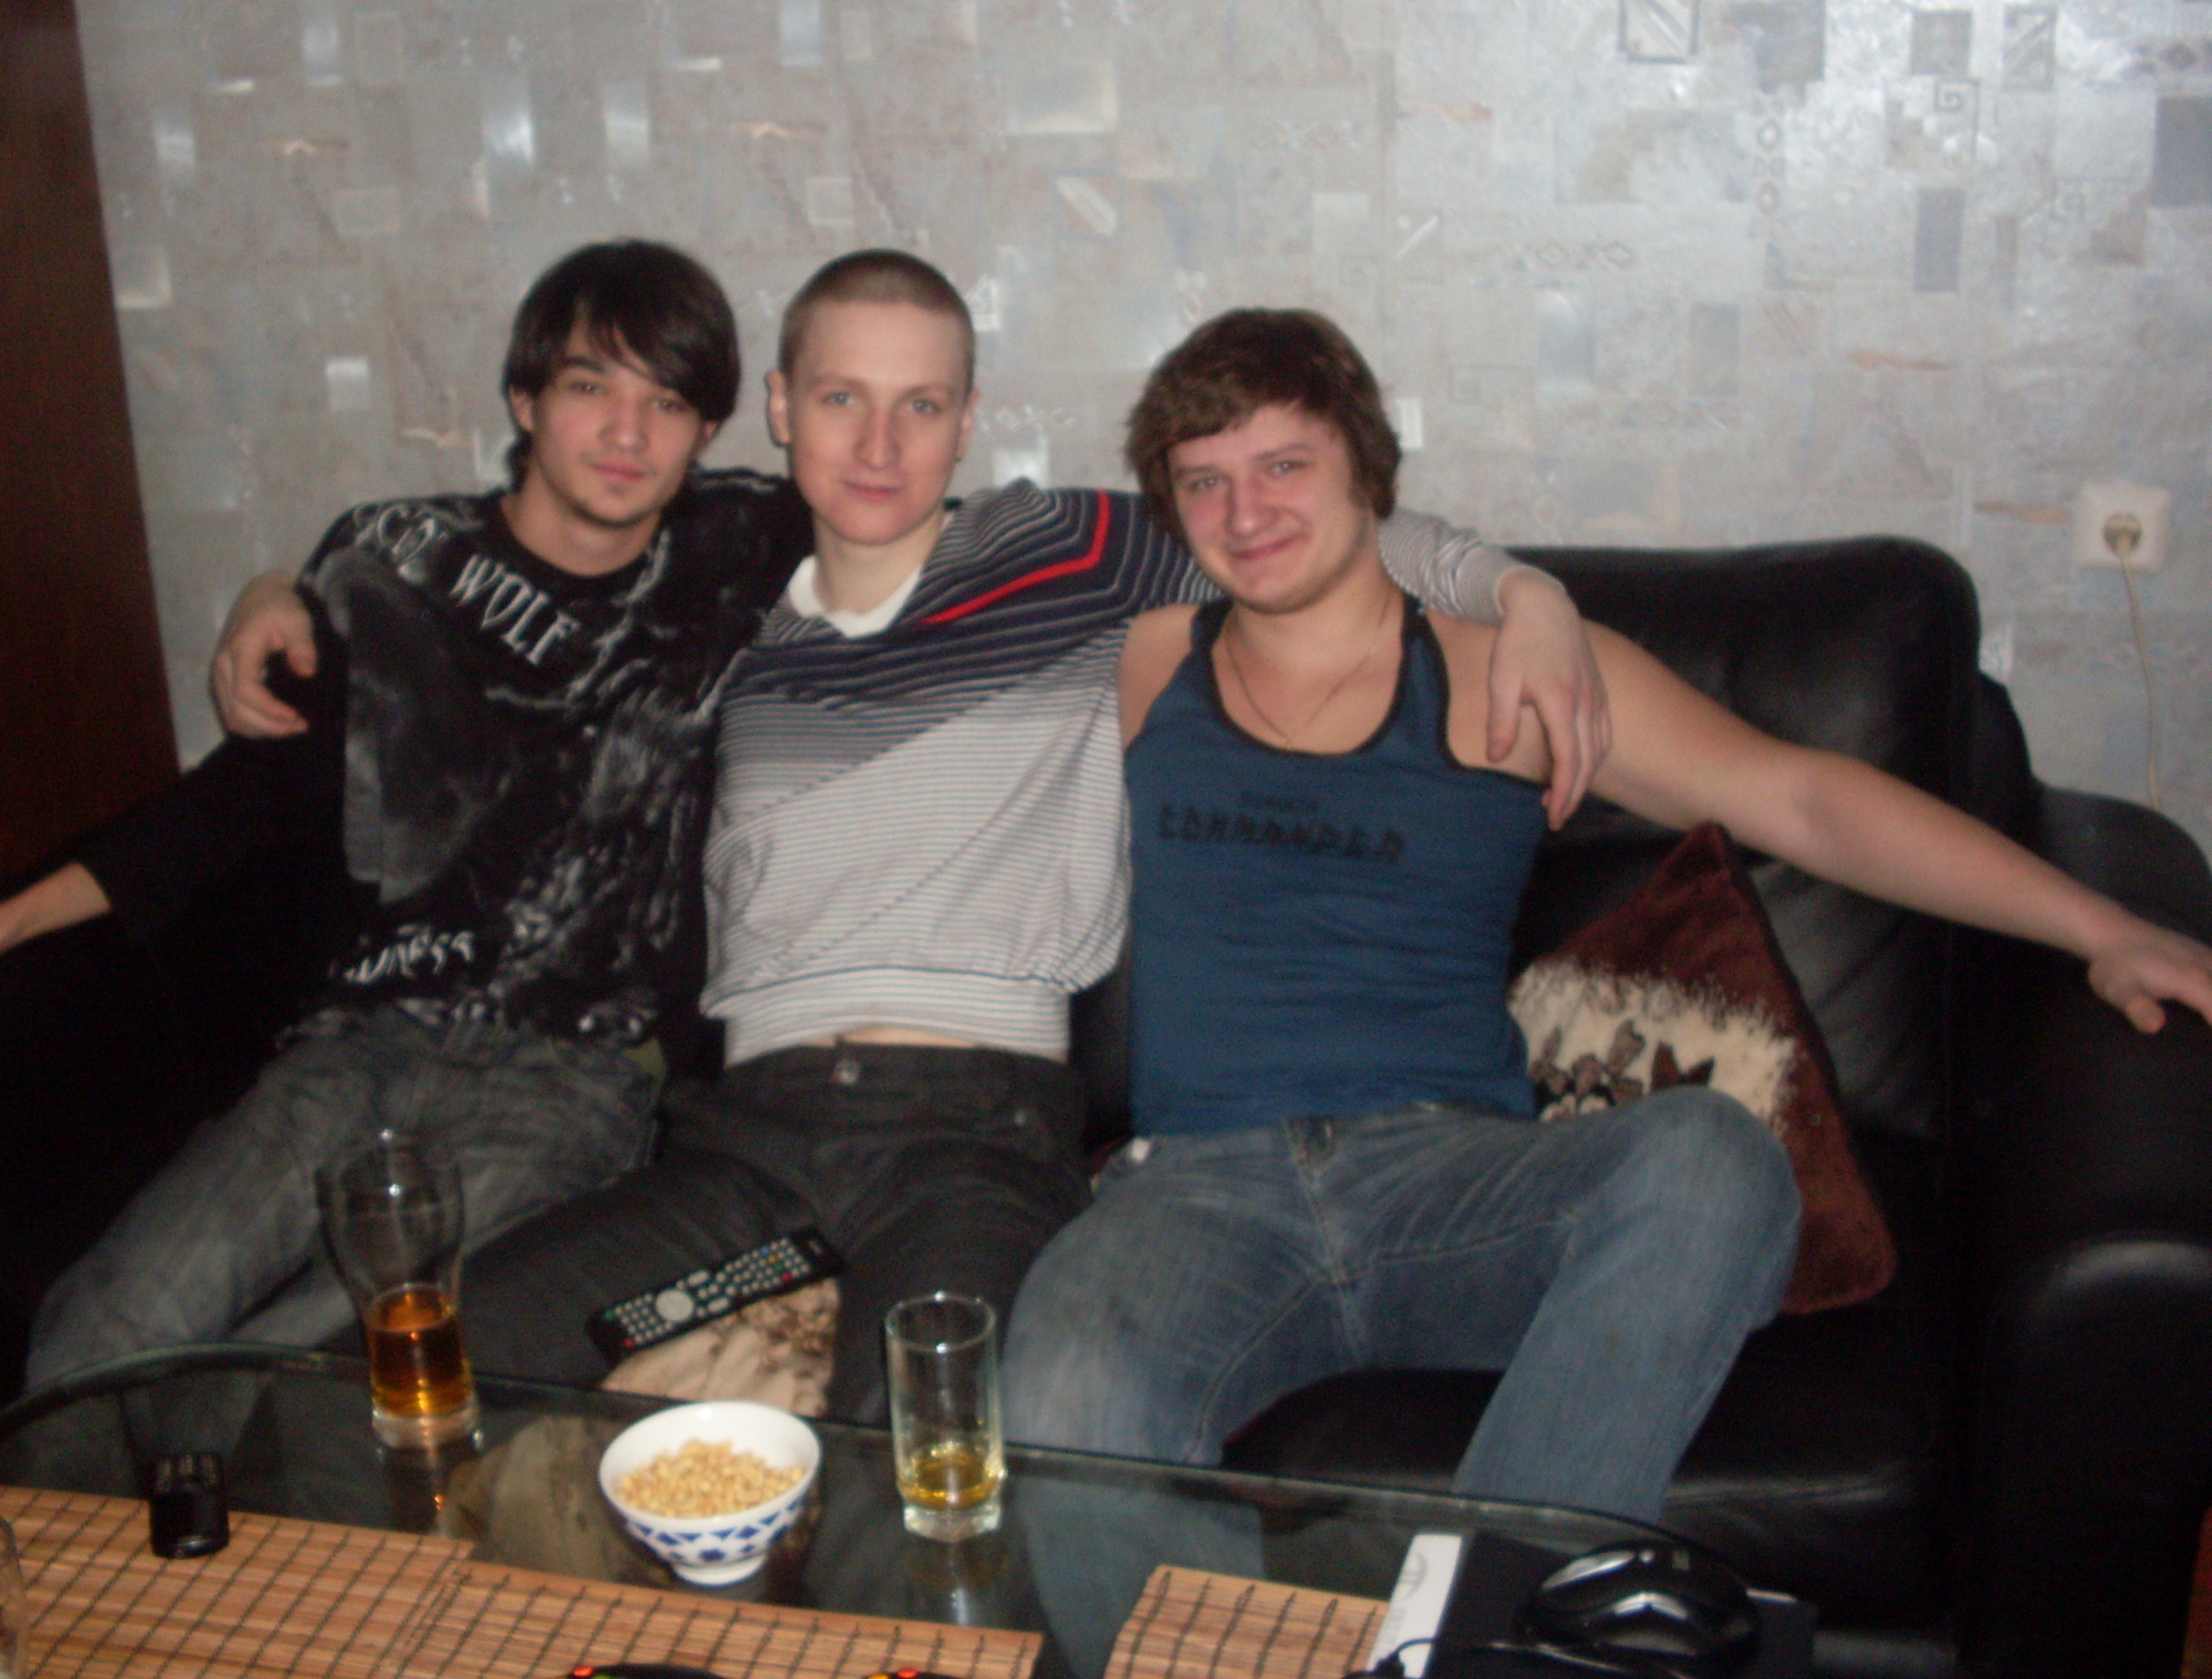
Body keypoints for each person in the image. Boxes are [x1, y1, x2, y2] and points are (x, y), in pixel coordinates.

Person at [212, 249, 1614, 1424]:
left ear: (965, 421)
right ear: (779, 409)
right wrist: (291, 586)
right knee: (399, 1387)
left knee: (918, 1464)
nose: (879, 447)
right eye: (842, 400)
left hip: (973, 1138)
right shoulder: (714, 597)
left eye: (920, 406)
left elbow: (1298, 532)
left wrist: (1519, 589)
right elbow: (483, 565)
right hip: (744, 1156)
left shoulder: (1063, 558)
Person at [1000, 306, 2212, 1529]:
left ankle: (1479, 1603)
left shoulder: (1514, 674)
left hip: (1451, 1187)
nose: (1244, 512)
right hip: (1197, 1191)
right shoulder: (1145, 660)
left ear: (1366, 469)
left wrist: (2101, 929)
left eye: (1283, 466)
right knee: (1059, 1383)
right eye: (1204, 482)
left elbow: (1805, 801)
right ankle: (1218, 1635)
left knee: (1713, 1161)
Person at [0, 240, 810, 1383]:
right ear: (524, 399)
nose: (628, 434)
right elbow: (233, 806)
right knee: (108, 1329)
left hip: (576, 1075)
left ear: (708, 431)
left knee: (317, 1364)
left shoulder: (743, 548)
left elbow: (921, 507)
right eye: (589, 386)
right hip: (356, 1045)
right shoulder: (390, 558)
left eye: (666, 403)